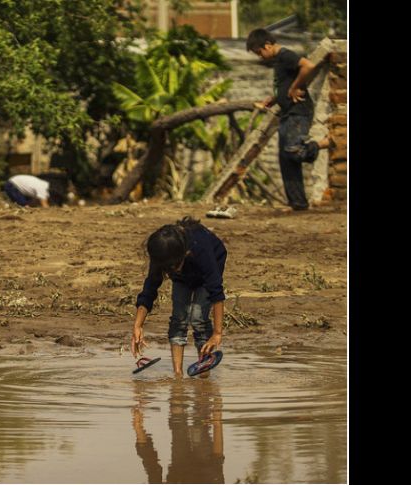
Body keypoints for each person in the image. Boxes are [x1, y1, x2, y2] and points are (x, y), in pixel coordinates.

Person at [246, 28, 332, 211]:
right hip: (288, 111)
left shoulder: (285, 55)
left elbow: (308, 66)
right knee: (285, 158)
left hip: (298, 111)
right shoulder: (279, 61)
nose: (260, 57)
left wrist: (295, 87)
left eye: (259, 52)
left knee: (293, 151)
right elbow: (284, 84)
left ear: (267, 45)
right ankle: (298, 203)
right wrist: (275, 98)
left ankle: (323, 143)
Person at [130, 217, 227, 378]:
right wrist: (138, 325)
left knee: (198, 318)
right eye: (166, 270)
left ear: (185, 254)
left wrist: (217, 334)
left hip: (208, 272)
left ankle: (204, 372)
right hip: (183, 277)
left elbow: (217, 293)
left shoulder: (201, 249)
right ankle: (177, 374)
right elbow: (149, 289)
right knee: (179, 317)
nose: (169, 272)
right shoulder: (163, 255)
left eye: (173, 268)